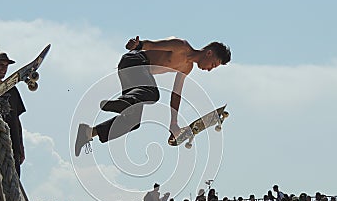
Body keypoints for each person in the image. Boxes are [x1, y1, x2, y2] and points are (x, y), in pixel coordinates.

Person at [75, 36, 231, 155]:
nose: (209, 69)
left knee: (132, 122)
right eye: (213, 64)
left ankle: (88, 132)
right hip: (134, 60)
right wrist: (137, 45)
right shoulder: (181, 46)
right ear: (209, 53)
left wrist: (174, 123)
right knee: (152, 93)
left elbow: (176, 94)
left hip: (137, 74)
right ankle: (124, 102)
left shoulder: (187, 68)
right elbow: (150, 45)